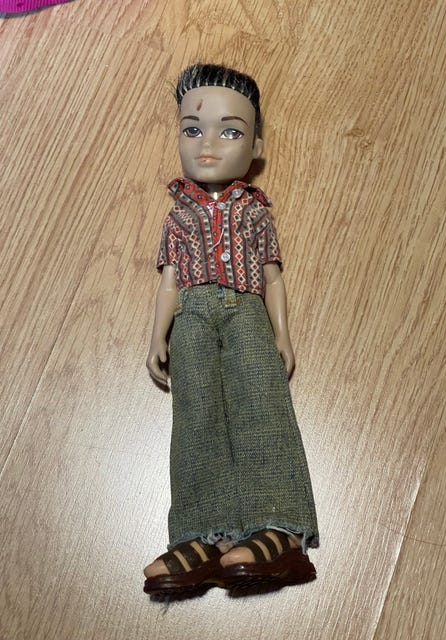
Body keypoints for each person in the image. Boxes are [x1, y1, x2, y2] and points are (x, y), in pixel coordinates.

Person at [144, 63, 318, 597]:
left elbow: (273, 276)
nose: (208, 145)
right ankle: (203, 534)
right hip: (192, 316)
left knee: (261, 406)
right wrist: (157, 335)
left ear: (256, 146)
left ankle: (278, 528)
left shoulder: (255, 212)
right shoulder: (178, 216)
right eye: (193, 129)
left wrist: (282, 333)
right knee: (195, 416)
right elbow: (169, 281)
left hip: (246, 311)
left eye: (230, 131)